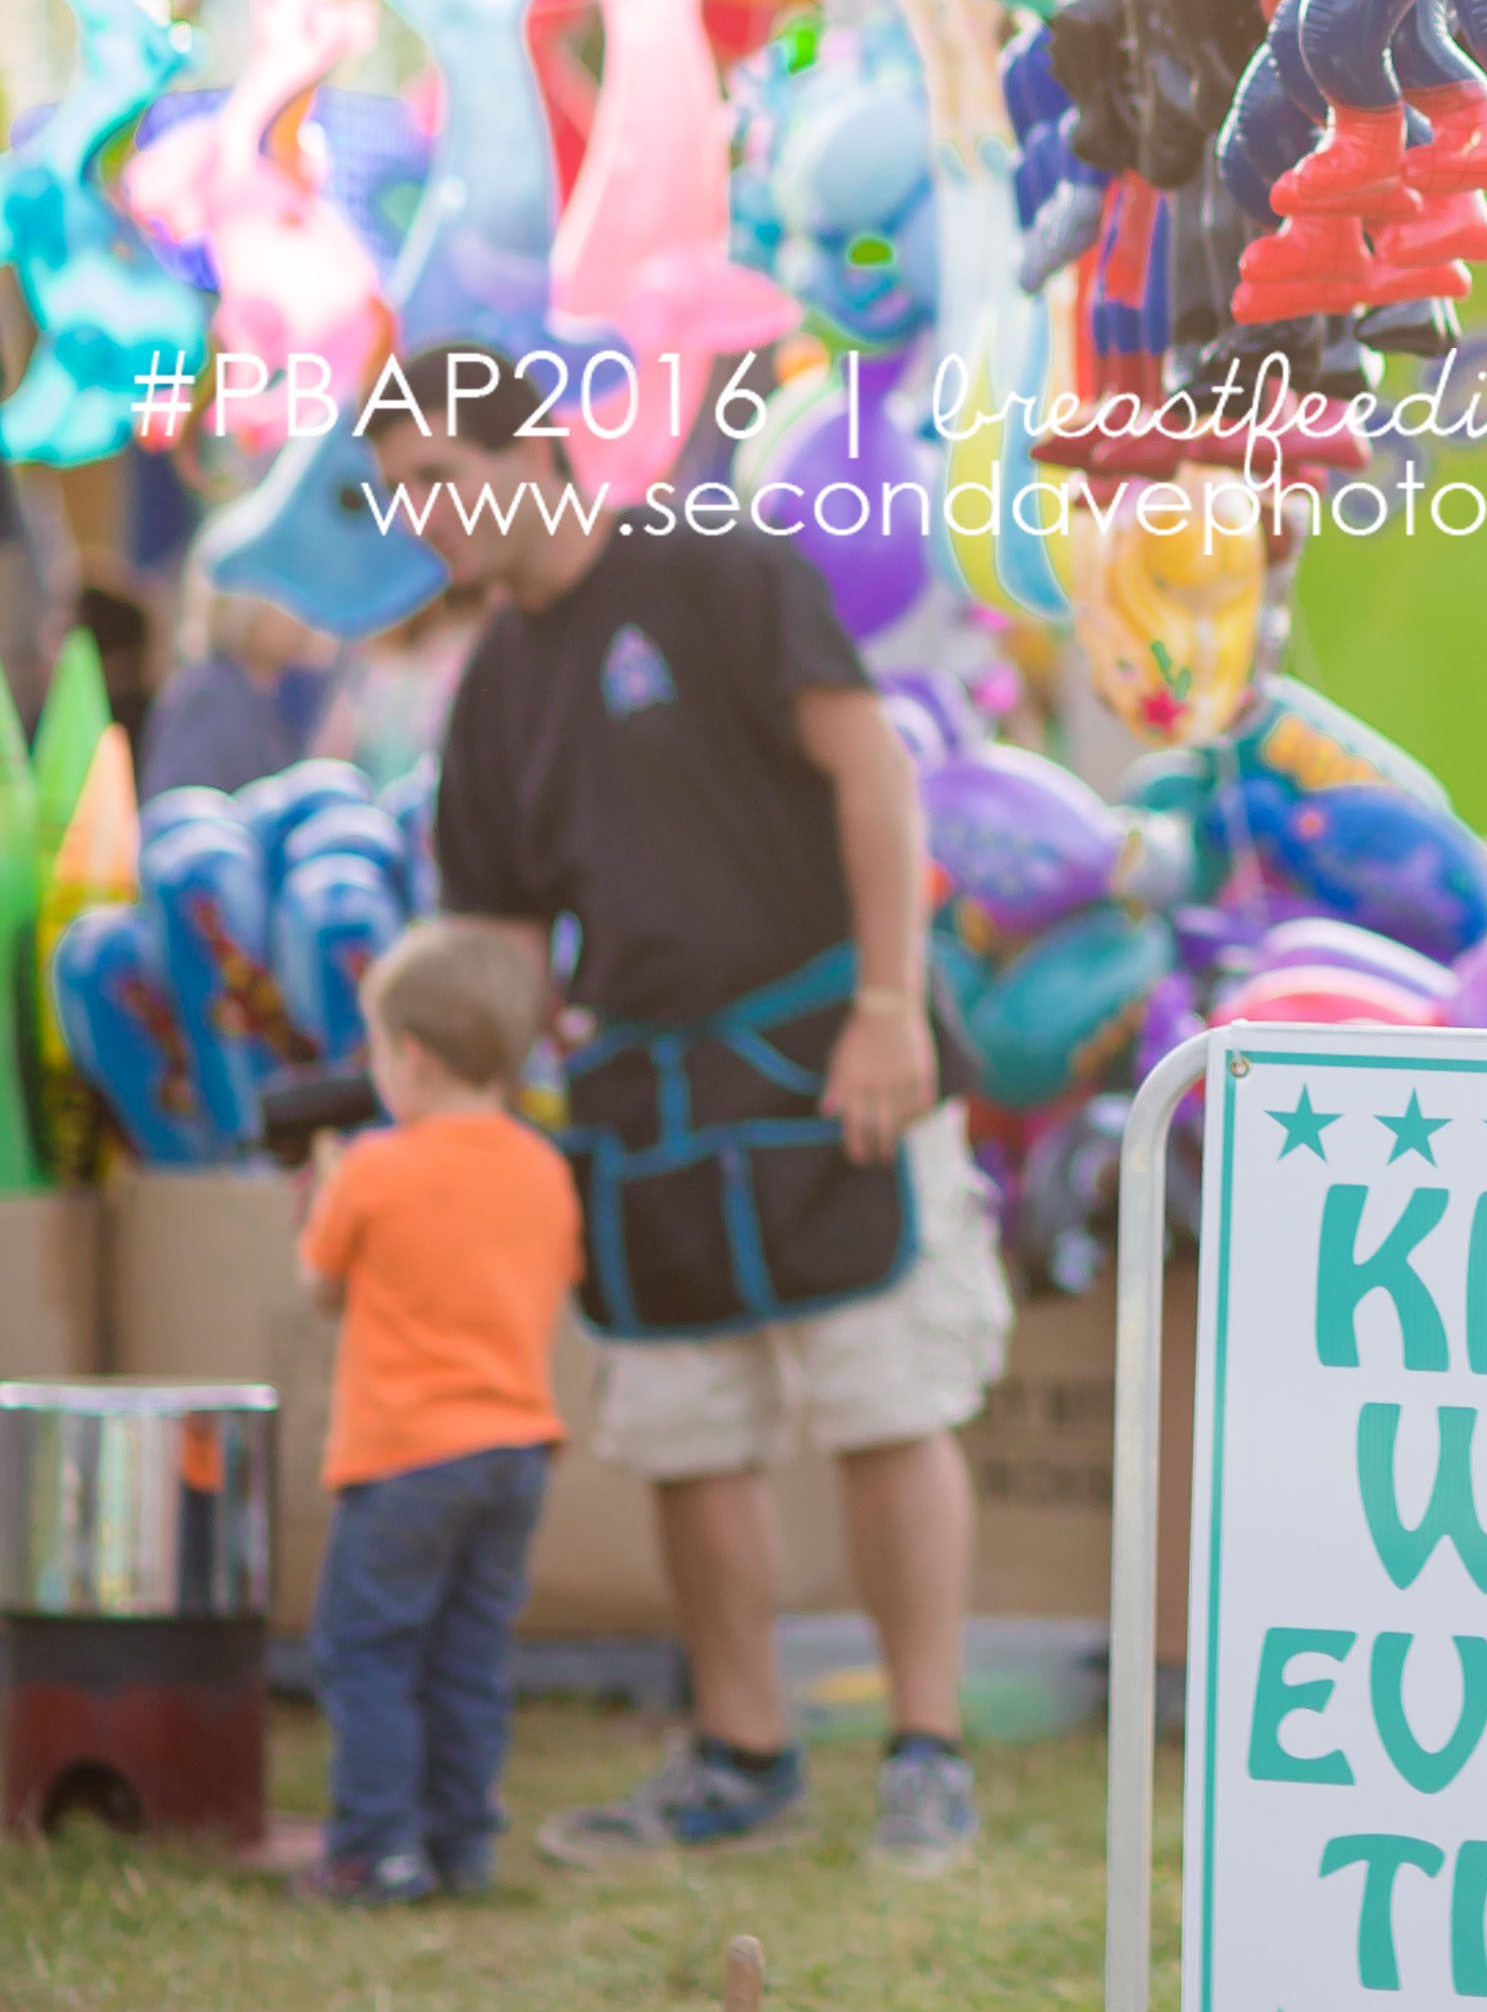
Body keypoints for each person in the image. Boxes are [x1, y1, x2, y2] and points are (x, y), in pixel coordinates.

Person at [365, 346, 1008, 1870]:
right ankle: (740, 1754)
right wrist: (451, 1124)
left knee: (884, 1400)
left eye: (442, 482)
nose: (426, 522)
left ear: (535, 454)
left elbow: (875, 776)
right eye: (400, 499)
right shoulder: (491, 700)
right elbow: (507, 955)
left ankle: (928, 1754)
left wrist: (884, 1007)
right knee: (686, 1431)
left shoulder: (713, 560)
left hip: (833, 1055)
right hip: (645, 1105)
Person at [292, 918, 580, 1905]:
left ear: (407, 1057)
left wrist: (321, 1201)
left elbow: (322, 1285)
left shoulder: (375, 1166)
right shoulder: (544, 1167)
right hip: (517, 1450)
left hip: (406, 1452)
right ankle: (462, 1842)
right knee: (469, 1657)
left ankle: (377, 1848)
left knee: (368, 1652)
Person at [140, 577, 335, 798]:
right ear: (245, 614)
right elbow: (184, 797)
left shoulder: (281, 696)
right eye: (284, 603)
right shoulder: (209, 697)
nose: (300, 618)